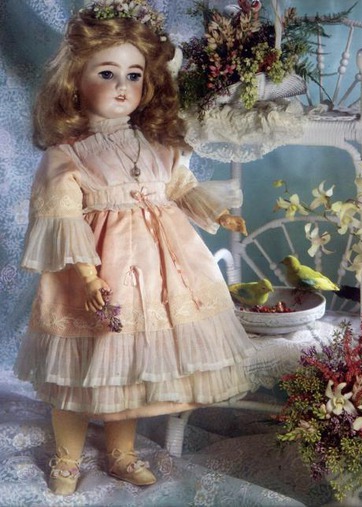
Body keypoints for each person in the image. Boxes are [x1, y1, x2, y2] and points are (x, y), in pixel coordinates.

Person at [14, 0, 255, 496]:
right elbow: (61, 217)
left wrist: (218, 213)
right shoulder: (68, 154)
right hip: (97, 272)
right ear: (75, 81)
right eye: (107, 73)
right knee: (78, 368)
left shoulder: (155, 141)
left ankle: (121, 453)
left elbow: (180, 185)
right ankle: (67, 459)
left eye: (134, 75)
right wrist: (87, 275)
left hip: (156, 270)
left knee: (127, 368)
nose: (123, 86)